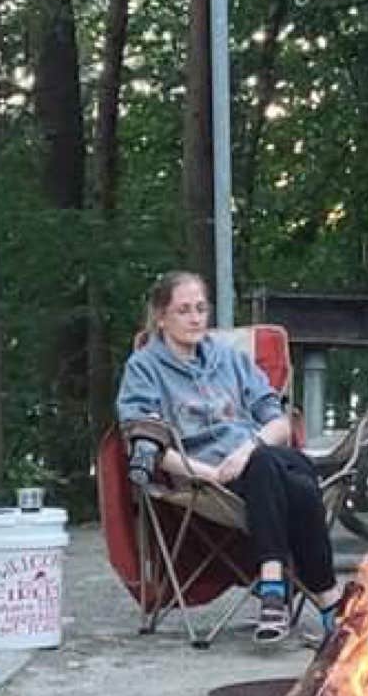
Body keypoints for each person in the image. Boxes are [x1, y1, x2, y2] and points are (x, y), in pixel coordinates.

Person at [116, 271, 343, 646]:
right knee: (299, 481)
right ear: (161, 317)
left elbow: (277, 421)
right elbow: (143, 439)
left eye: (201, 309)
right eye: (183, 310)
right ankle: (327, 600)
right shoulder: (144, 368)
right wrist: (208, 472)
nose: (195, 318)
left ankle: (275, 588)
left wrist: (248, 449)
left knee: (273, 464)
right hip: (203, 475)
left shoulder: (230, 359)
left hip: (254, 458)